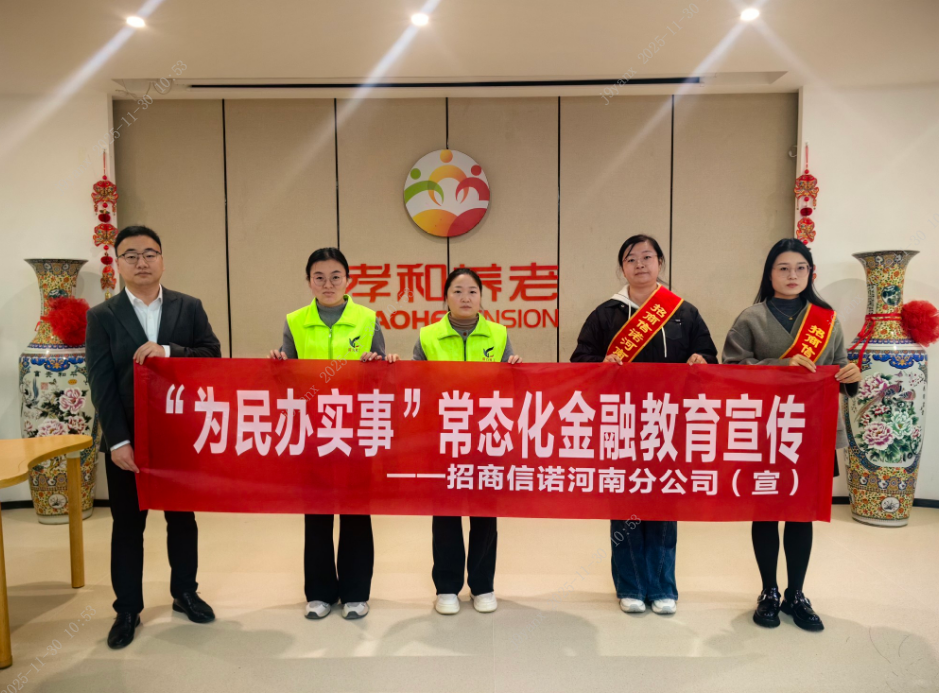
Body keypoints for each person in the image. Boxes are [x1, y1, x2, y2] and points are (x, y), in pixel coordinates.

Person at [86, 225, 221, 650]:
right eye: (131, 255)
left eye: (150, 253)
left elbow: (213, 357)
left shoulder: (189, 307)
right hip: (127, 440)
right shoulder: (102, 316)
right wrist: (118, 441)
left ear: (162, 259)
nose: (141, 262)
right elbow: (101, 384)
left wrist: (170, 352)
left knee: (182, 519)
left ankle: (185, 593)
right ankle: (127, 608)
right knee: (128, 526)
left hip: (179, 436)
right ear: (118, 263)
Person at [571, 234, 717, 616]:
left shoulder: (683, 312)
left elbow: (710, 357)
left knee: (664, 502)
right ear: (622, 268)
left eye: (647, 257)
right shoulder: (606, 314)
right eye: (631, 259)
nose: (640, 264)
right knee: (627, 503)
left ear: (660, 263)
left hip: (669, 423)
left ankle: (663, 586)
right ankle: (631, 585)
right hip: (622, 423)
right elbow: (579, 361)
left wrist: (701, 361)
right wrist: (601, 364)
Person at [722, 238, 860, 632]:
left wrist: (851, 376)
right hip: (764, 428)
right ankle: (768, 590)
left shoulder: (827, 320)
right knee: (765, 511)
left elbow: (840, 368)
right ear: (770, 274)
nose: (792, 275)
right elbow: (730, 369)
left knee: (802, 514)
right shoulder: (750, 318)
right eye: (783, 268)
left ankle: (796, 593)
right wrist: (779, 364)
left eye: (800, 268)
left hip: (812, 431)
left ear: (810, 273)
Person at [270, 247, 397, 621]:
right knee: (317, 511)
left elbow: (382, 380)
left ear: (348, 280)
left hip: (356, 429)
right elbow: (288, 381)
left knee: (355, 511)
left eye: (335, 277)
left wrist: (377, 365)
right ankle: (320, 593)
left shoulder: (368, 319)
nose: (328, 284)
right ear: (309, 281)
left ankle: (356, 593)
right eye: (319, 277)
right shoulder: (295, 321)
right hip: (313, 430)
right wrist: (279, 366)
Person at [413, 268, 523, 615]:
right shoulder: (428, 336)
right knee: (445, 513)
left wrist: (515, 370)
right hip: (443, 437)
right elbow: (414, 384)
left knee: (484, 513)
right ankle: (446, 587)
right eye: (457, 291)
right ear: (445, 297)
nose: (465, 297)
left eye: (472, 291)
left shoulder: (499, 334)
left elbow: (511, 389)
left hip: (486, 437)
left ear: (481, 297)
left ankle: (482, 585)